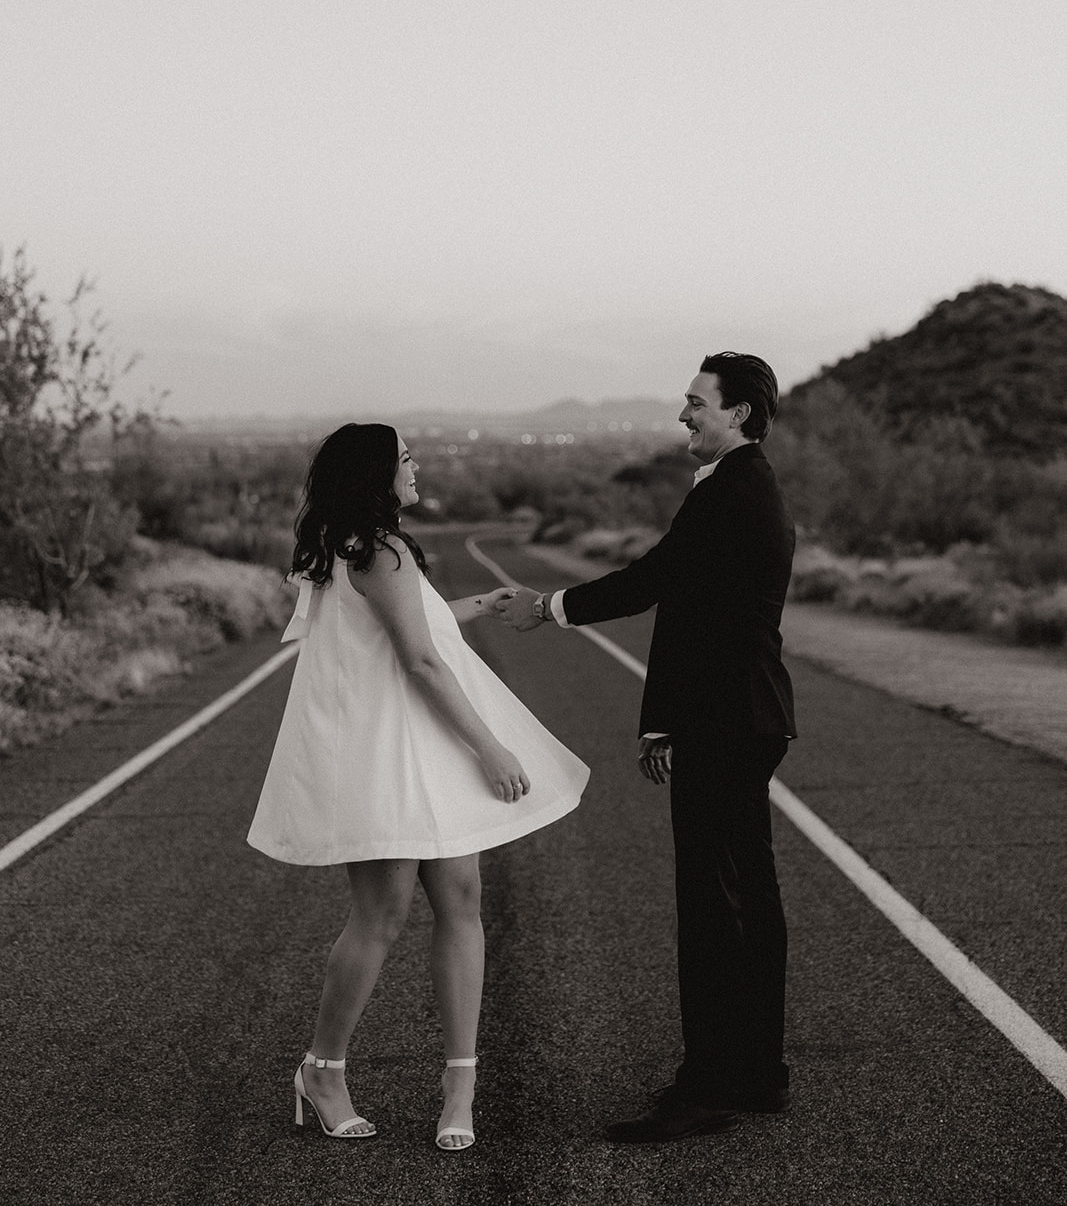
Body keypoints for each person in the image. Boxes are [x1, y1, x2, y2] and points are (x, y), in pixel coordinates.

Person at [247, 423, 589, 1151]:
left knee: (460, 899)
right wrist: (491, 749)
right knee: (383, 910)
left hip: (410, 747)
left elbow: (410, 625)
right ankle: (322, 1069)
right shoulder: (381, 548)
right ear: (378, 475)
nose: (416, 467)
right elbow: (421, 663)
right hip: (388, 749)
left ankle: (458, 1086)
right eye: (405, 459)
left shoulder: (361, 546)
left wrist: (475, 606)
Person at [499, 352, 795, 1143]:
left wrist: (547, 605)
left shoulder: (733, 490)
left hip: (728, 722)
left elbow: (652, 580)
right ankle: (757, 1073)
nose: (682, 414)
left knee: (713, 910)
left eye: (696, 402)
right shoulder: (737, 486)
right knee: (747, 900)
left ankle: (707, 1088)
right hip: (736, 715)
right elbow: (693, 612)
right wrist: (661, 717)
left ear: (738, 413)